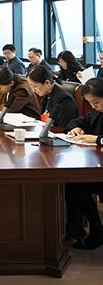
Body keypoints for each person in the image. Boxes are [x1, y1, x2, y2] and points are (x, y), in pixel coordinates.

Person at [63, 78, 103, 249]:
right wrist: (75, 129)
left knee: (78, 184)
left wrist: (98, 139)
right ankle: (82, 227)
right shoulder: (97, 111)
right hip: (98, 166)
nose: (93, 106)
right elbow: (77, 121)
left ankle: (82, 228)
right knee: (74, 182)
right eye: (90, 103)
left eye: (96, 102)